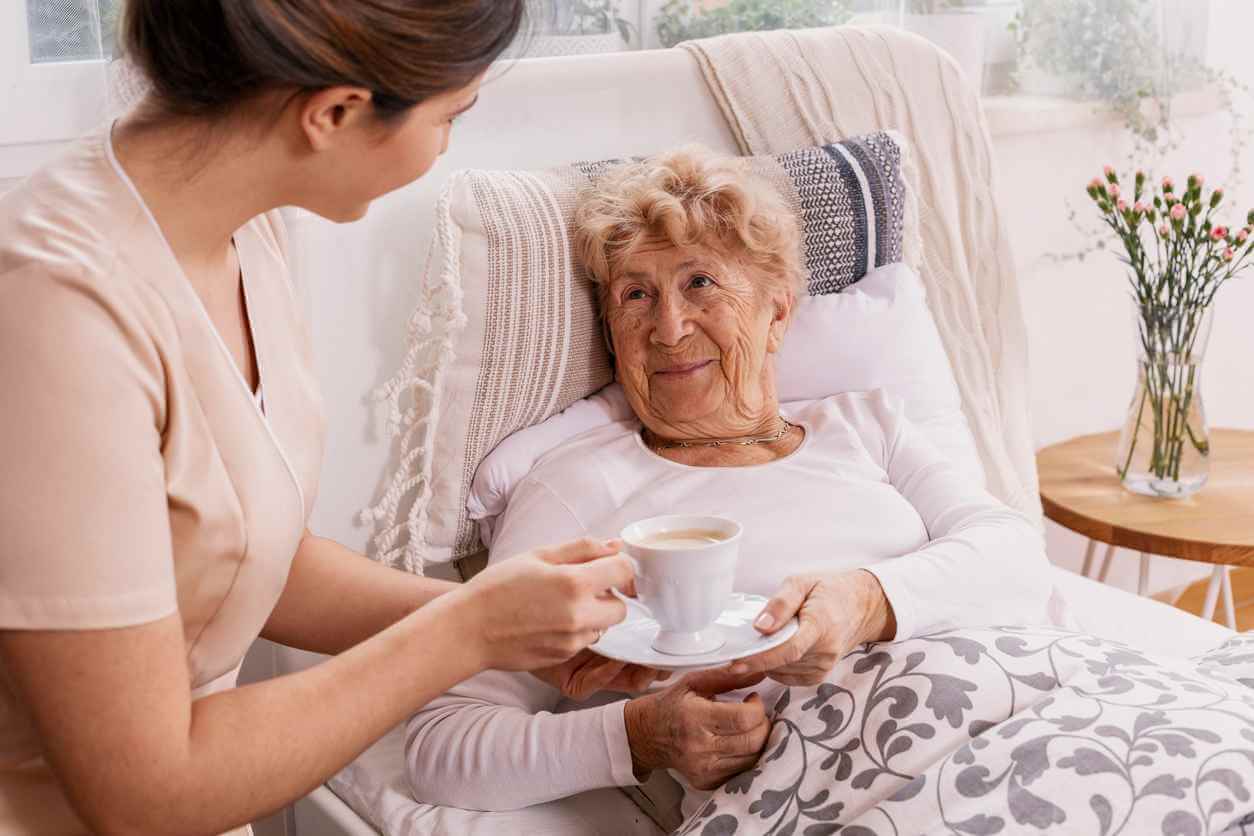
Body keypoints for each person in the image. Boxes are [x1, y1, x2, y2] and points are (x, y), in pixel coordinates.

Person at [0, 3, 651, 834]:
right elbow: (142, 792)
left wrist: (522, 619)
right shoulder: (56, 310)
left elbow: (242, 558)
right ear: (334, 113)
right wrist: (466, 631)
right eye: (450, 118)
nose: (447, 146)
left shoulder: (242, 225)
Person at [404, 146, 1055, 813]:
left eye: (700, 284)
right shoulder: (576, 485)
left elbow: (1017, 561)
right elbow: (443, 748)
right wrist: (638, 736)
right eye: (635, 296)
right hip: (868, 790)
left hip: (1040, 724)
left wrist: (863, 602)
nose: (669, 326)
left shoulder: (868, 423)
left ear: (777, 312)